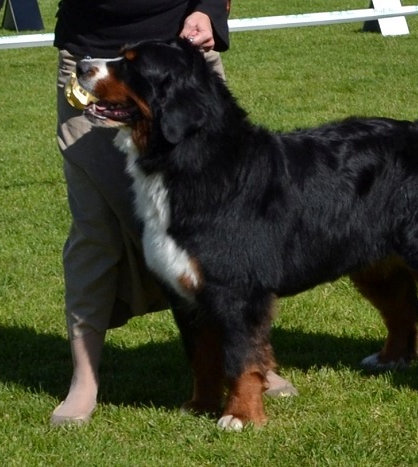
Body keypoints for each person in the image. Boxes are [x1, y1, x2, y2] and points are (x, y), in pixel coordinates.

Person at [51, 0, 296, 426]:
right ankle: (84, 380)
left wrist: (208, 11)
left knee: (226, 239)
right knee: (97, 231)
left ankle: (250, 365)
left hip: (182, 58)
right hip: (94, 52)